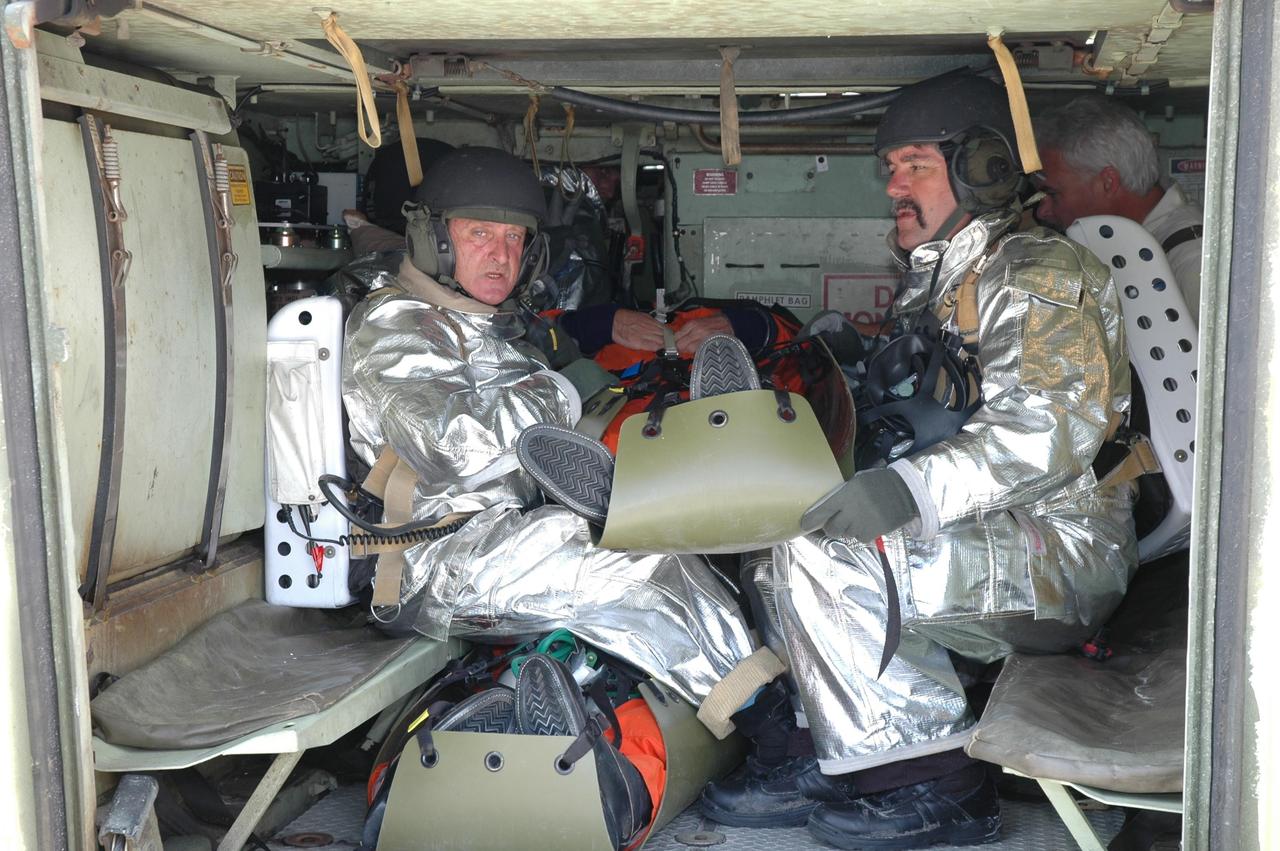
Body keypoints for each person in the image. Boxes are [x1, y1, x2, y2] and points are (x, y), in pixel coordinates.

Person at [698, 75, 1138, 849]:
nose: (894, 185)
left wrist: (908, 488)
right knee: (778, 544)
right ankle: (819, 743)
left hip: (1062, 548)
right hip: (988, 531)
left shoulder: (1036, 273)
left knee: (831, 553)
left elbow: (1046, 431)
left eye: (913, 165)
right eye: (889, 169)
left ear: (982, 169)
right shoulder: (942, 278)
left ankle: (932, 778)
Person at [341, 146, 764, 709]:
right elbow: (451, 446)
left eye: (514, 239)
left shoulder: (482, 322)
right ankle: (759, 719)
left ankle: (729, 707)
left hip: (507, 529)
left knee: (685, 544)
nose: (501, 254)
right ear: (436, 241)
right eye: (480, 235)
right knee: (650, 569)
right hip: (436, 561)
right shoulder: (393, 324)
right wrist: (561, 388)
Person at [1034, 95, 1205, 324]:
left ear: (1108, 182)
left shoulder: (1192, 263)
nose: (1042, 211)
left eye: (1053, 194)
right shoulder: (1145, 243)